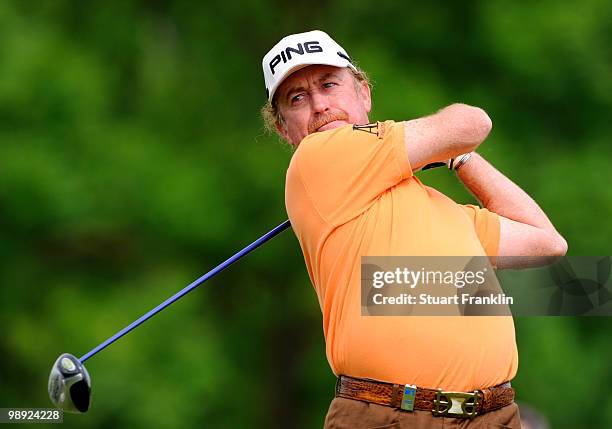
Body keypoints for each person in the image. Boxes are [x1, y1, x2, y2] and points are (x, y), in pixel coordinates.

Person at [261, 30, 567, 428]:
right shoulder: (316, 157)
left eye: (329, 84)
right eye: (297, 99)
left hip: (493, 416)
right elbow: (472, 121)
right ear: (285, 129)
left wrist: (461, 160)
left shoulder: (441, 210)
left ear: (363, 94)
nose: (319, 105)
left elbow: (546, 242)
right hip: (391, 415)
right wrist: (450, 147)